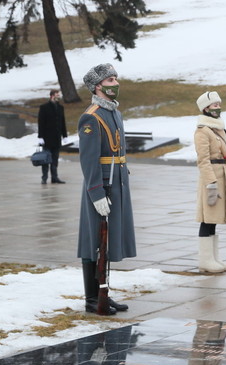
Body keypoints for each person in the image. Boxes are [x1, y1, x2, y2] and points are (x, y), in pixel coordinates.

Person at [77, 63, 135, 315]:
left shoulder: (114, 113)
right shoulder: (92, 116)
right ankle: (92, 298)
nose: (115, 83)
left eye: (115, 78)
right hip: (101, 185)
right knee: (93, 241)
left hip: (117, 182)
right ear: (98, 86)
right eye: (110, 80)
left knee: (107, 242)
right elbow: (88, 160)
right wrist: (96, 193)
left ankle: (104, 292)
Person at [194, 91, 226, 273]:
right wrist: (211, 182)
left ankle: (213, 258)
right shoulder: (203, 131)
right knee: (208, 219)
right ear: (206, 108)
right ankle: (205, 260)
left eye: (219, 105)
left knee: (215, 220)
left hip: (222, 175)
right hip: (211, 178)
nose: (218, 108)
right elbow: (203, 160)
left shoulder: (217, 128)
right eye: (214, 105)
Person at [37, 89, 68, 184]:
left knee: (55, 159)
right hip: (46, 138)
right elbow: (41, 122)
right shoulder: (44, 107)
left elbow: (62, 122)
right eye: (57, 94)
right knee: (45, 159)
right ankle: (44, 178)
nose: (58, 96)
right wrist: (40, 137)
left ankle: (54, 178)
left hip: (57, 138)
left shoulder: (60, 107)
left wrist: (65, 135)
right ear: (52, 95)